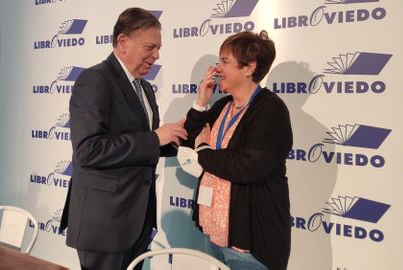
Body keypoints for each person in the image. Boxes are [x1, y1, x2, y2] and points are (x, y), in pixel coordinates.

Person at [59, 7, 187, 270]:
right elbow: (88, 150)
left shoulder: (145, 89)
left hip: (137, 220)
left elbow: (143, 144)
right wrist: (154, 138)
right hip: (105, 223)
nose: (156, 55)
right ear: (123, 42)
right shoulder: (95, 80)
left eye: (159, 48)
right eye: (150, 47)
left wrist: (172, 138)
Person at [181, 30, 293, 270]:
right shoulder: (222, 105)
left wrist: (203, 150)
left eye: (225, 61)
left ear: (249, 67)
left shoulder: (270, 110)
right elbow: (186, 141)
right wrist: (201, 103)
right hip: (213, 233)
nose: (218, 68)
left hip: (250, 245)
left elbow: (245, 166)